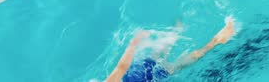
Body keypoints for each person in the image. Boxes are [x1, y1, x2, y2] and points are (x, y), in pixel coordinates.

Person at [100, 18, 236, 82]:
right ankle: (216, 40)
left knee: (175, 64)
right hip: (141, 73)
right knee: (162, 59)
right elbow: (121, 68)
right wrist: (133, 44)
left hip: (145, 76)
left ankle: (215, 40)